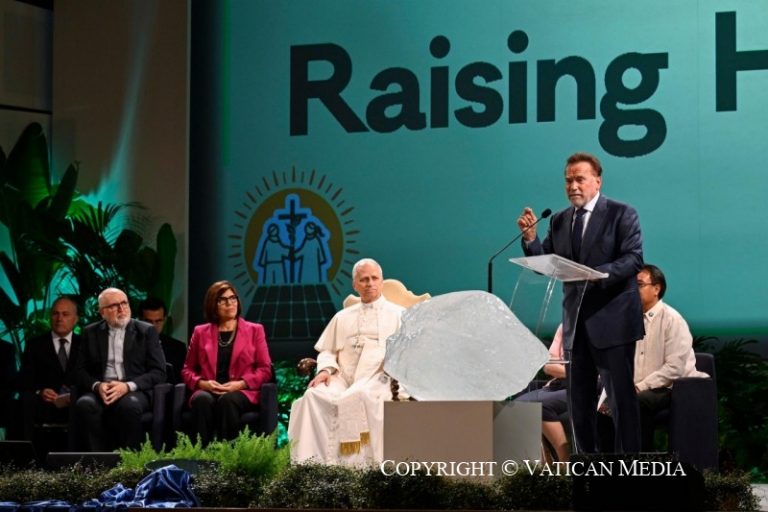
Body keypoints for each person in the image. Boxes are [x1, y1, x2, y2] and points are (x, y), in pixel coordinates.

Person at [517, 151, 644, 453]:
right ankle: (586, 469)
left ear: (597, 181)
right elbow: (546, 263)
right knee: (579, 403)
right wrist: (531, 239)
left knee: (620, 402)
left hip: (613, 323)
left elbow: (633, 259)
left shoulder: (621, 214)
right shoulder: (560, 220)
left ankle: (630, 469)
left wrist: (597, 275)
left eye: (580, 179)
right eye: (568, 180)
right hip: (575, 325)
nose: (573, 185)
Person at [288, 258, 404, 465]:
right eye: (364, 279)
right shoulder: (342, 317)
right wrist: (325, 371)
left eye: (374, 278)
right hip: (342, 376)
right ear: (355, 285)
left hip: (378, 376)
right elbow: (328, 350)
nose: (369, 283)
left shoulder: (399, 314)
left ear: (382, 281)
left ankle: (359, 467)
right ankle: (310, 464)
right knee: (313, 396)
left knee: (359, 396)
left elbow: (406, 353)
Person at [181, 281, 273, 446]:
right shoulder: (200, 332)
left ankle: (228, 456)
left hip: (241, 391)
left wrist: (240, 384)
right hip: (209, 389)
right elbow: (187, 370)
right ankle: (200, 454)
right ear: (213, 304)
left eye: (233, 298)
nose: (229, 303)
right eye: (222, 300)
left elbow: (265, 370)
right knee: (201, 399)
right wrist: (203, 384)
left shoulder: (255, 330)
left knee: (228, 400)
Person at [74, 287, 166, 450]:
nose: (122, 309)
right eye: (114, 306)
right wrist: (97, 386)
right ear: (102, 312)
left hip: (134, 390)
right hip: (102, 389)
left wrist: (127, 386)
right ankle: (97, 461)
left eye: (124, 303)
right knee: (85, 404)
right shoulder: (90, 332)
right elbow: (79, 371)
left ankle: (130, 461)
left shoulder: (146, 331)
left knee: (129, 406)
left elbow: (159, 372)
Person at [633, 264, 709, 450]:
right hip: (641, 386)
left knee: (637, 402)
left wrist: (639, 387)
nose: (633, 289)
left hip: (672, 387)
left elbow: (674, 369)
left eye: (639, 284)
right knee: (603, 408)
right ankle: (608, 462)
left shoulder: (672, 319)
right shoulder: (630, 320)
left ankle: (641, 461)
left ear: (656, 289)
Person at [20, 296, 82, 440]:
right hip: (44, 402)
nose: (59, 318)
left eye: (65, 314)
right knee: (26, 400)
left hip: (76, 401)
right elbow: (25, 379)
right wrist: (40, 391)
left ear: (75, 319)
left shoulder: (85, 344)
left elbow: (94, 376)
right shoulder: (34, 345)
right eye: (55, 314)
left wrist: (75, 394)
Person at [515, 325, 570, 462]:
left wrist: (568, 372)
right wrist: (575, 372)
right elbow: (549, 366)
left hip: (592, 385)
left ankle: (564, 460)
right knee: (520, 400)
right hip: (563, 383)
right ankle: (546, 460)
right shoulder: (565, 325)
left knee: (535, 404)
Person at [139, 297, 187, 384]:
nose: (153, 326)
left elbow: (181, 382)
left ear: (164, 320)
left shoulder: (178, 348)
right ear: (140, 320)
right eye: (148, 321)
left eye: (158, 321)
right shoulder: (130, 346)